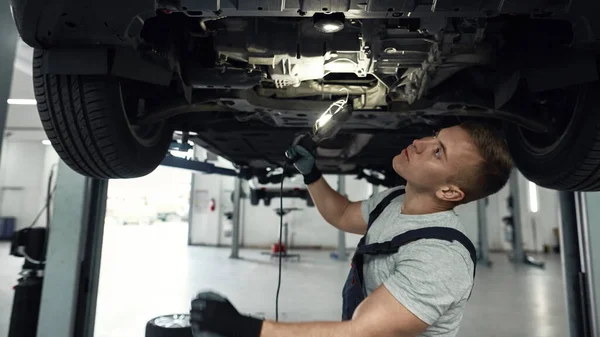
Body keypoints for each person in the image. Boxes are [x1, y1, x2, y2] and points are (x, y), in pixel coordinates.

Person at [190, 121, 513, 337]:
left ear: (450, 192)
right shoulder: (395, 200)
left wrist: (249, 329)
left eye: (438, 151)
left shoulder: (440, 258)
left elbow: (360, 332)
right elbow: (343, 214)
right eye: (432, 135)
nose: (419, 143)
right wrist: (312, 174)